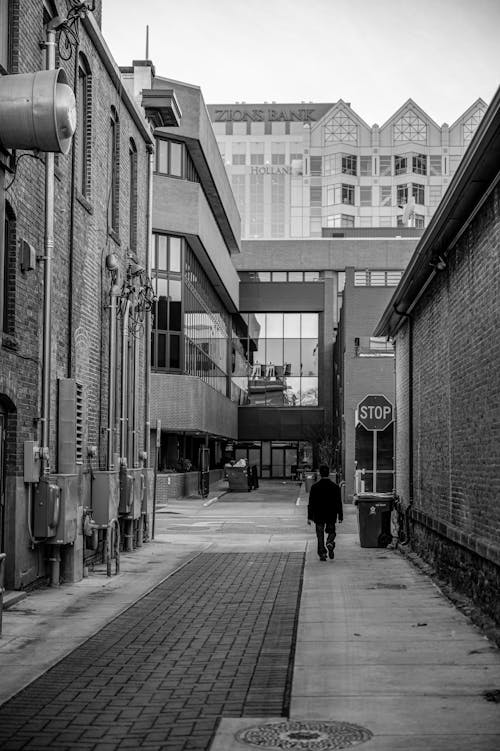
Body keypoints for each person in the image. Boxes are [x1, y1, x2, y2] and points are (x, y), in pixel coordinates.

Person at [308, 464, 343, 561]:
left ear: (320, 473)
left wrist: (309, 516)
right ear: (329, 473)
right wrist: (340, 516)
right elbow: (338, 503)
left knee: (320, 535)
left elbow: (311, 503)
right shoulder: (335, 487)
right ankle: (330, 542)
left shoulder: (314, 487)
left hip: (318, 515)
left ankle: (322, 553)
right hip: (331, 514)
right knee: (332, 532)